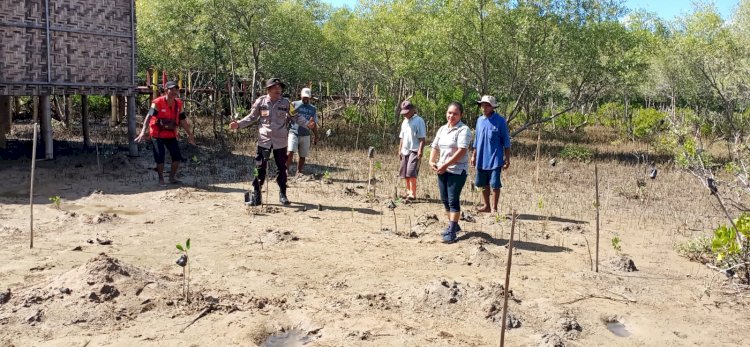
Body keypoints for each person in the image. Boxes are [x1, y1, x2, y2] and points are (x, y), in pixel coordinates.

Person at [230, 78, 315, 206]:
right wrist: (238, 124)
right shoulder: (261, 102)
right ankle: (257, 195)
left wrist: (308, 124)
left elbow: (296, 117)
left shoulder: (286, 103)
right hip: (264, 141)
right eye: (275, 87)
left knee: (282, 168)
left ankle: (283, 194)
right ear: (268, 89)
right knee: (258, 168)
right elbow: (252, 117)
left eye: (279, 87)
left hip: (280, 142)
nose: (278, 89)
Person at [135, 81, 196, 186]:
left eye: (176, 89)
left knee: (177, 157)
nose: (174, 91)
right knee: (160, 157)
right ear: (165, 91)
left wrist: (190, 135)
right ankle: (161, 178)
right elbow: (148, 117)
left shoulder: (178, 104)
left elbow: (182, 120)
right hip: (157, 134)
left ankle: (172, 178)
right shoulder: (157, 103)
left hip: (171, 134)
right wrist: (142, 132)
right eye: (171, 89)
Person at [429, 102, 472, 243]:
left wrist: (446, 164)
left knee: (453, 200)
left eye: (455, 113)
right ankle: (454, 224)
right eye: (449, 113)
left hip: (457, 170)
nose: (451, 116)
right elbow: (435, 146)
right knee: (445, 199)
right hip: (442, 169)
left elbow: (462, 151)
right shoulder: (442, 129)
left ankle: (452, 231)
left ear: (461, 115)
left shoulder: (464, 130)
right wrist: (432, 161)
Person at [470, 95, 511, 213]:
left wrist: (507, 158)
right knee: (482, 183)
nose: (484, 107)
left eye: (487, 105)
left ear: (493, 107)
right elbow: (477, 140)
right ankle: (486, 205)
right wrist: (474, 155)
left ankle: (494, 208)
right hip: (481, 158)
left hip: (495, 158)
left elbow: (506, 141)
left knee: (495, 183)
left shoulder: (500, 120)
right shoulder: (479, 120)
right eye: (483, 105)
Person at [286, 87, 318, 176]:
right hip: (293, 132)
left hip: (306, 134)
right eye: (304, 97)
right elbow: (287, 117)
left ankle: (299, 172)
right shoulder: (294, 104)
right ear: (301, 96)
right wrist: (284, 129)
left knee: (303, 155)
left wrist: (316, 136)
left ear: (310, 97)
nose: (306, 99)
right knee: (290, 151)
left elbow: (314, 123)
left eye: (307, 97)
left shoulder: (313, 109)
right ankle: (286, 170)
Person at [398, 100, 426, 200]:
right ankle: (408, 191)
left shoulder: (419, 120)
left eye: (407, 112)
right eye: (404, 113)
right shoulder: (405, 121)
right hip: (404, 150)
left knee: (411, 171)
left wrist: (420, 150)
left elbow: (422, 138)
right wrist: (399, 149)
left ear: (413, 110)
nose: (405, 115)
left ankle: (413, 194)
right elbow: (402, 136)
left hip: (414, 149)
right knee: (405, 172)